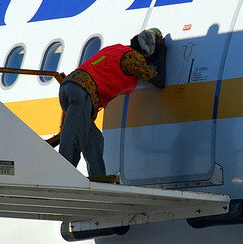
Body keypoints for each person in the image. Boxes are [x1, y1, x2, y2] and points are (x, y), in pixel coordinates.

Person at [58, 29, 166, 177]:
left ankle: (98, 179)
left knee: (94, 140)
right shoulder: (133, 58)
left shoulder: (118, 49)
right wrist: (161, 56)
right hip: (83, 90)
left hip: (69, 87)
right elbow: (160, 82)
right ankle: (62, 176)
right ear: (147, 51)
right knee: (74, 138)